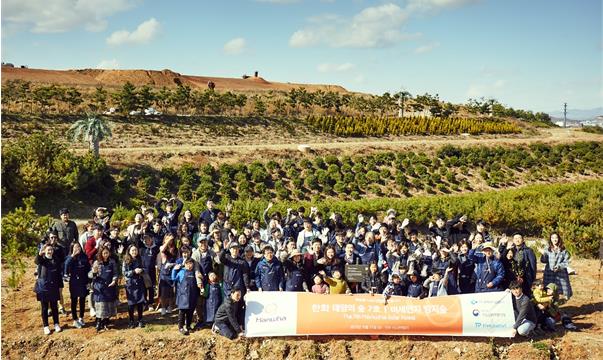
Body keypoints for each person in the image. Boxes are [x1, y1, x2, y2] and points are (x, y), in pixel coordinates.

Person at [35, 244, 63, 335]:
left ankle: (56, 324)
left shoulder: (56, 260)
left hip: (54, 286)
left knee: (54, 306)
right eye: (48, 250)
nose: (50, 251)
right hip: (43, 287)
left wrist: (60, 286)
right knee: (44, 307)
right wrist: (40, 253)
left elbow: (59, 274)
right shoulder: (42, 260)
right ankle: (46, 326)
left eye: (51, 249)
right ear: (44, 251)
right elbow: (37, 260)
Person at [89, 246, 118, 332]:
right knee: (100, 306)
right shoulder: (97, 263)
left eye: (107, 253)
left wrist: (114, 280)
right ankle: (98, 322)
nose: (106, 255)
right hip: (100, 288)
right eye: (104, 253)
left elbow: (115, 273)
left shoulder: (112, 262)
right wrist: (94, 272)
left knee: (108, 305)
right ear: (101, 254)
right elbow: (90, 275)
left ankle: (105, 321)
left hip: (109, 287)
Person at [63, 241, 90, 329]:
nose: (77, 249)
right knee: (74, 301)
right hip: (74, 282)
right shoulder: (69, 257)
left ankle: (81, 317)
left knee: (82, 300)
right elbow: (66, 267)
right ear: (72, 248)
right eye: (75, 247)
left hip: (83, 281)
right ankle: (75, 320)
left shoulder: (84, 256)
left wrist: (89, 280)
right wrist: (72, 256)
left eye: (78, 247)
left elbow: (88, 268)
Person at [540, 233, 573, 300]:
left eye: (556, 238)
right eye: (552, 238)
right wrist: (543, 254)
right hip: (549, 273)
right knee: (548, 291)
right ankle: (550, 308)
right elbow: (544, 261)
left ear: (559, 239)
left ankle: (557, 308)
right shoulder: (547, 248)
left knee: (560, 292)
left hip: (561, 274)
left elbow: (566, 262)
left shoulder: (563, 249)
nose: (554, 239)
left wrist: (559, 266)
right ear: (550, 239)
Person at [172, 258, 200, 335]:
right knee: (182, 312)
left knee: (190, 312)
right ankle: (180, 327)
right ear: (185, 264)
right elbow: (173, 278)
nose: (189, 265)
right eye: (187, 264)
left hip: (192, 296)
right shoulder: (181, 272)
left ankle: (188, 326)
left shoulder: (195, 273)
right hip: (183, 296)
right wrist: (174, 270)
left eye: (191, 263)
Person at [122, 245, 147, 328]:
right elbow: (124, 273)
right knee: (131, 303)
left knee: (140, 302)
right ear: (129, 251)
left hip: (139, 282)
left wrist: (142, 270)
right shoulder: (126, 260)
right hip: (130, 283)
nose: (134, 252)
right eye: (132, 250)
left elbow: (146, 268)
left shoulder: (141, 259)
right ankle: (131, 320)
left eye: (135, 250)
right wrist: (133, 271)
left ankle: (140, 319)